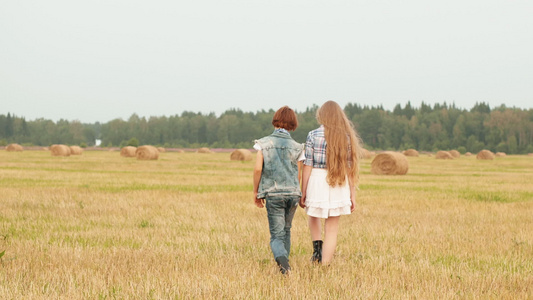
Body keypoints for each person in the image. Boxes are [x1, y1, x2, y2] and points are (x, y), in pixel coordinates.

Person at [299, 100, 362, 265]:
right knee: (332, 228)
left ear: (322, 116)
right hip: (339, 181)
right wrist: (352, 195)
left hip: (317, 179)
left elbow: (308, 165)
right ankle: (325, 265)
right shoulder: (346, 137)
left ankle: (317, 249)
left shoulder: (313, 135)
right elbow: (350, 169)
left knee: (313, 215)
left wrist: (303, 191)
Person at [253, 106, 305, 275]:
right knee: (287, 230)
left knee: (276, 235)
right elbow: (298, 173)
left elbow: (257, 170)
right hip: (293, 193)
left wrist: (256, 192)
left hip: (273, 193)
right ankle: (285, 264)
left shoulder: (263, 144)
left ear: (275, 121)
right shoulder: (298, 147)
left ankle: (283, 264)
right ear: (293, 124)